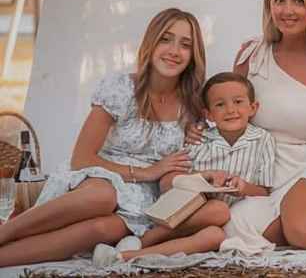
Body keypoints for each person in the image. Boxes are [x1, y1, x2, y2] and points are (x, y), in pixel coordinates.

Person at [0, 8, 217, 267]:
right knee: (103, 196)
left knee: (104, 229)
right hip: (100, 176)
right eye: (165, 39)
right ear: (151, 42)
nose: (174, 51)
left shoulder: (193, 104)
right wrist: (147, 172)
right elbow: (81, 158)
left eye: (185, 45)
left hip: (143, 199)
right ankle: (5, 232)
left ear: (193, 55)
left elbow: (231, 114)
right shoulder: (121, 88)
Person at [186, 0, 306, 252]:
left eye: (299, 1)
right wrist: (199, 129)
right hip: (260, 172)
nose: (287, 10)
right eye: (279, 0)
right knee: (231, 225)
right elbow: (231, 111)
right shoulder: (251, 56)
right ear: (269, 5)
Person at [92, 71, 274, 265]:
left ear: (253, 108)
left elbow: (265, 191)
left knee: (215, 236)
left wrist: (244, 187)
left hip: (222, 223)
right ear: (208, 114)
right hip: (185, 215)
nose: (230, 110)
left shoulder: (263, 140)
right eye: (220, 104)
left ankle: (125, 255)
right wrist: (201, 178)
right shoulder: (199, 139)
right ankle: (142, 240)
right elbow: (167, 182)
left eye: (238, 102)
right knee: (218, 209)